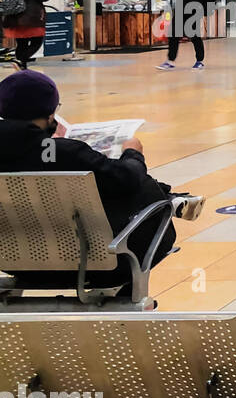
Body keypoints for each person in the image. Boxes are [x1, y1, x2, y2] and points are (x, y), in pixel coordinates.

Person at [0, 70, 204, 290]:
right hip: (98, 265)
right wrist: (133, 153)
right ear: (50, 114)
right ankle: (167, 199)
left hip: (15, 264)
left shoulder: (57, 151)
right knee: (134, 185)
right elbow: (125, 180)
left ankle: (168, 197)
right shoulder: (67, 153)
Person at [158, 0, 208, 70]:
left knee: (194, 37)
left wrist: (204, 14)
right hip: (180, 13)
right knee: (173, 36)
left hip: (192, 13)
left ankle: (199, 61)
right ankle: (170, 61)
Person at [1, 0, 50, 70]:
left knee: (22, 44)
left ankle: (22, 67)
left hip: (15, 19)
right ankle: (20, 60)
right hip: (32, 20)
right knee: (37, 42)